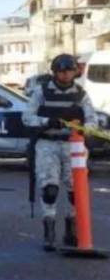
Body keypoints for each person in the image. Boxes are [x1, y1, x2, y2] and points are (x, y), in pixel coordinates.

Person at [23, 54, 98, 252]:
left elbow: (92, 119)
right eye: (62, 71)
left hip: (73, 146)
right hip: (48, 143)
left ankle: (71, 230)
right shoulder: (42, 92)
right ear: (55, 71)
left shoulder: (80, 94)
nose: (66, 75)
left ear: (75, 72)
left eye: (69, 70)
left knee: (75, 191)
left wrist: (83, 128)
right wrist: (47, 122)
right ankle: (49, 231)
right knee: (50, 189)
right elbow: (27, 117)